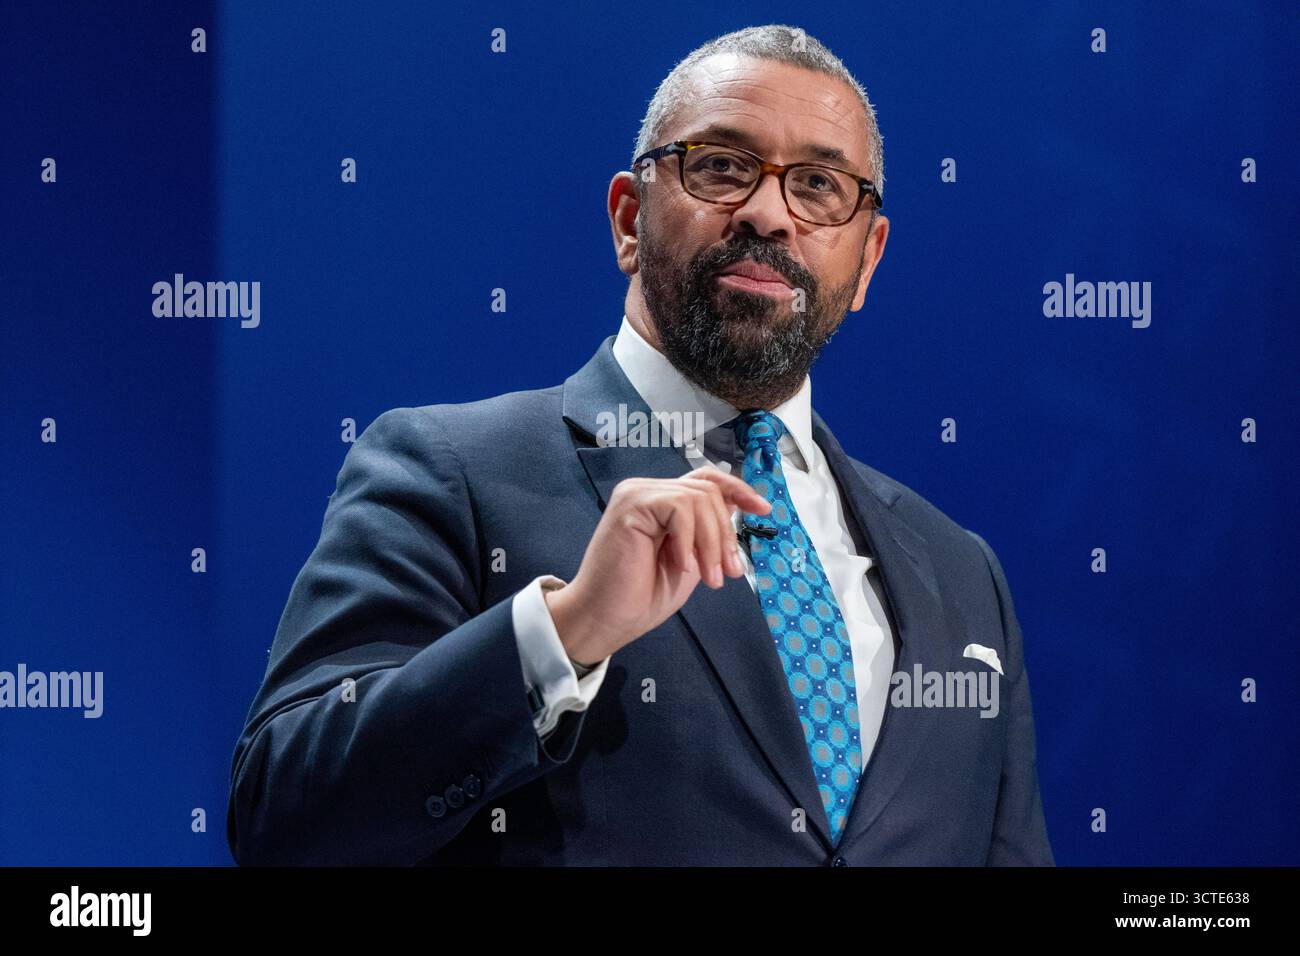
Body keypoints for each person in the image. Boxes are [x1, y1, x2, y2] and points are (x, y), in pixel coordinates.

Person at [226, 24, 1053, 866]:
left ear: (867, 259)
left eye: (818, 185)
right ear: (629, 218)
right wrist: (567, 629)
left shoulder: (961, 574)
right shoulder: (450, 471)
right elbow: (285, 821)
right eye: (722, 167)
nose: (769, 213)